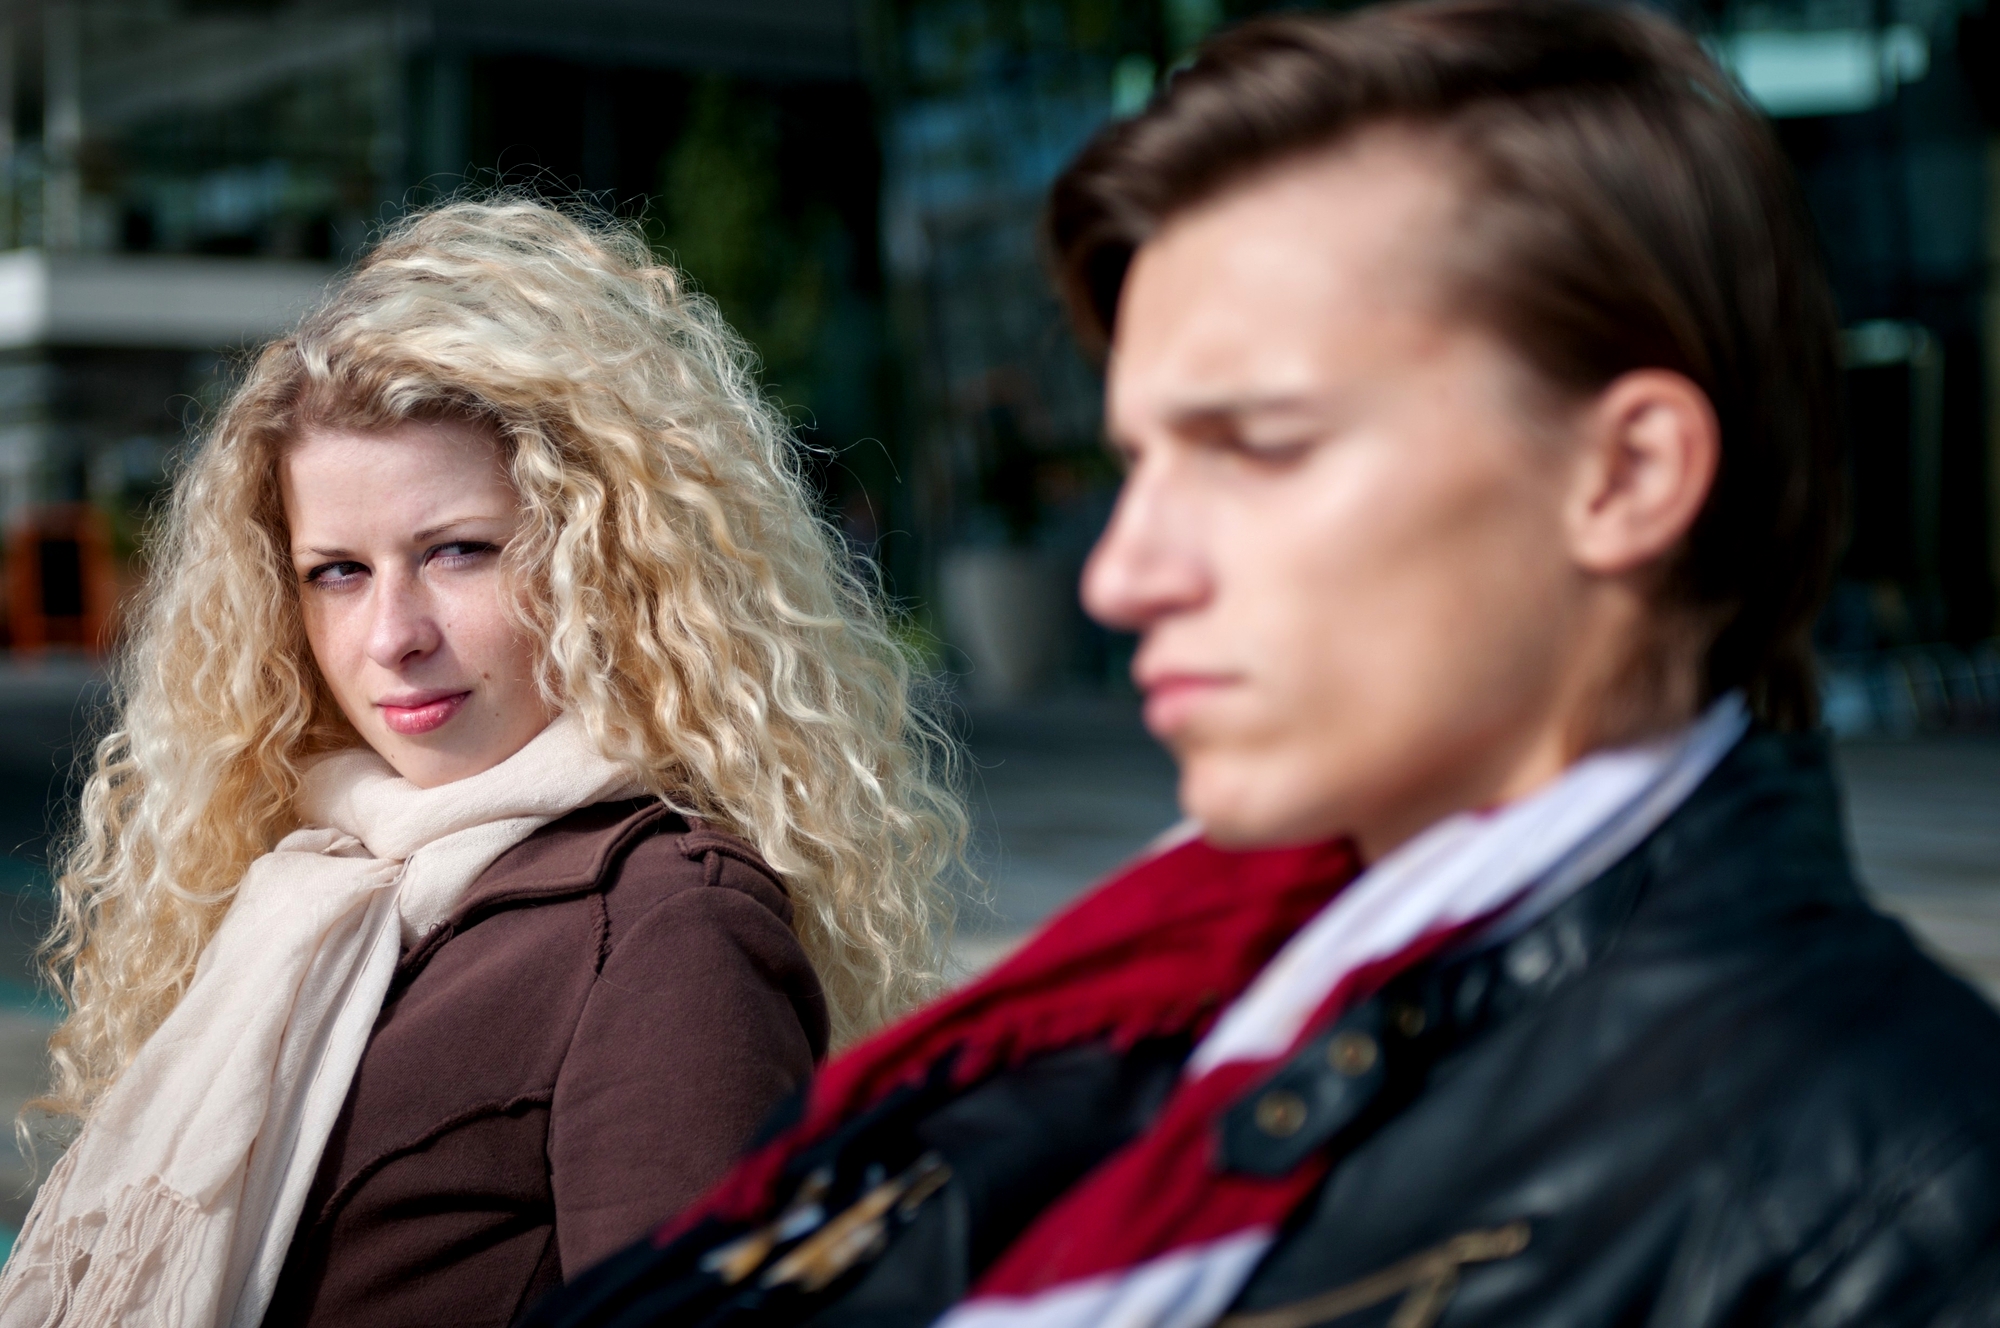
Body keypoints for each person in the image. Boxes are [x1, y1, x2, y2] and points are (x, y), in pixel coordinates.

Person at [524, 2, 2000, 1326]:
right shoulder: (1157, 997)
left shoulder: (1899, 1189)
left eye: (1258, 447)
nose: (1122, 572)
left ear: (1623, 476)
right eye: (1141, 461)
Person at [0, 200, 966, 1328]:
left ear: (603, 558)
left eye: (458, 551)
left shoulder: (670, 927)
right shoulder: (311, 879)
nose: (391, 634)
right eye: (337, 571)